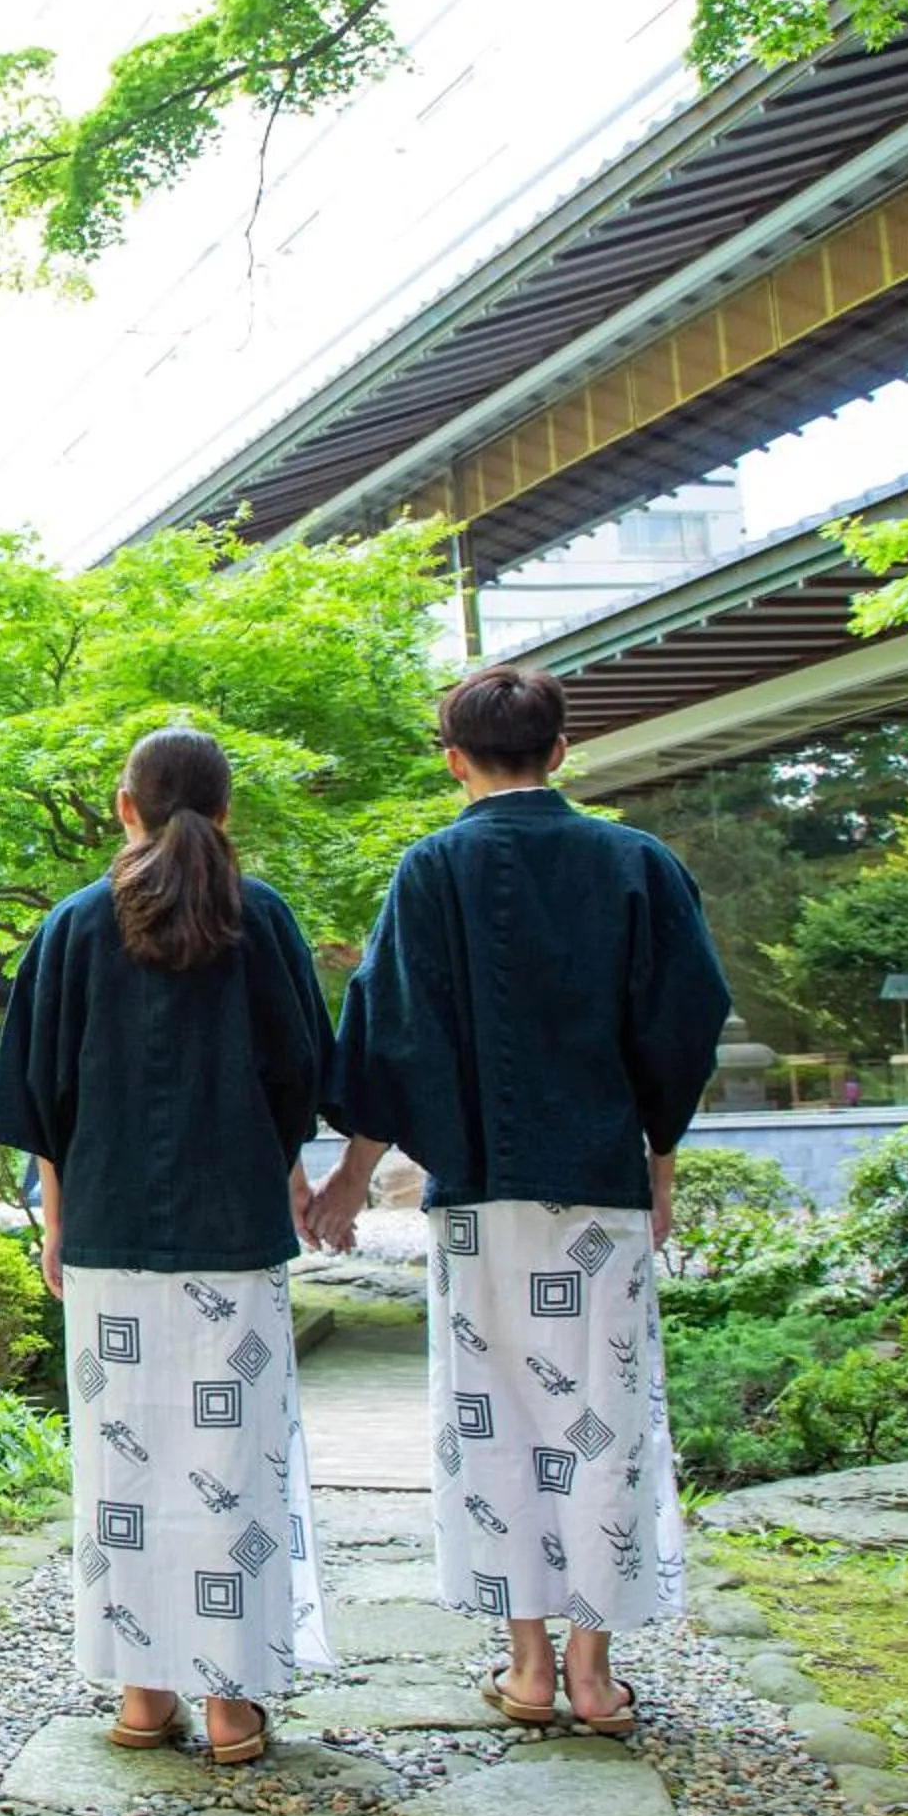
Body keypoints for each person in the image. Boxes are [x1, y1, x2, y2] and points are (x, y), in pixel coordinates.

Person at [307, 665, 729, 1736]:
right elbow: (684, 1018)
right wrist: (661, 1158)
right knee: (605, 1418)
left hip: (485, 1193)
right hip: (599, 1185)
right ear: (561, 748)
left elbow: (391, 1027)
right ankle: (596, 1671)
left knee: (493, 1413)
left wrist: (355, 1172)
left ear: (454, 758)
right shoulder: (636, 861)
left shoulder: (433, 868)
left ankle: (528, 1663)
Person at [0, 726, 337, 1765]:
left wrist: (55, 1216)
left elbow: (43, 1096)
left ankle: (144, 1697)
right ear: (226, 812)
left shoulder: (76, 922)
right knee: (234, 1457)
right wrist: (289, 1171)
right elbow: (298, 1071)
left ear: (124, 806)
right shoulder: (258, 916)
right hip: (234, 1230)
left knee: (125, 1461)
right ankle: (232, 1704)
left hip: (111, 1228)